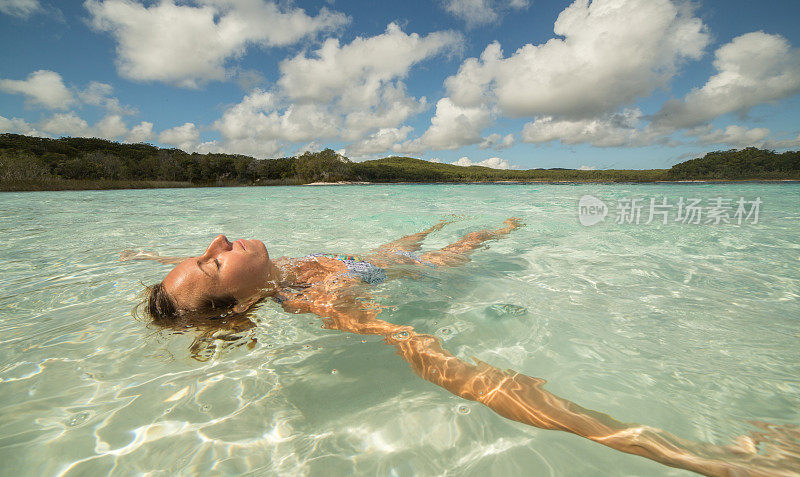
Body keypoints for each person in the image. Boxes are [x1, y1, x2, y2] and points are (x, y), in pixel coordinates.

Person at [123, 219, 797, 477]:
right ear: (239, 306)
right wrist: (698, 456)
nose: (216, 241)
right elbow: (464, 377)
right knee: (460, 245)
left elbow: (193, 279)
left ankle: (446, 230)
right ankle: (492, 230)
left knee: (412, 237)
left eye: (204, 251)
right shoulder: (324, 305)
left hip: (365, 256)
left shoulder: (263, 277)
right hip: (411, 278)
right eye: (211, 264)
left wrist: (152, 259)